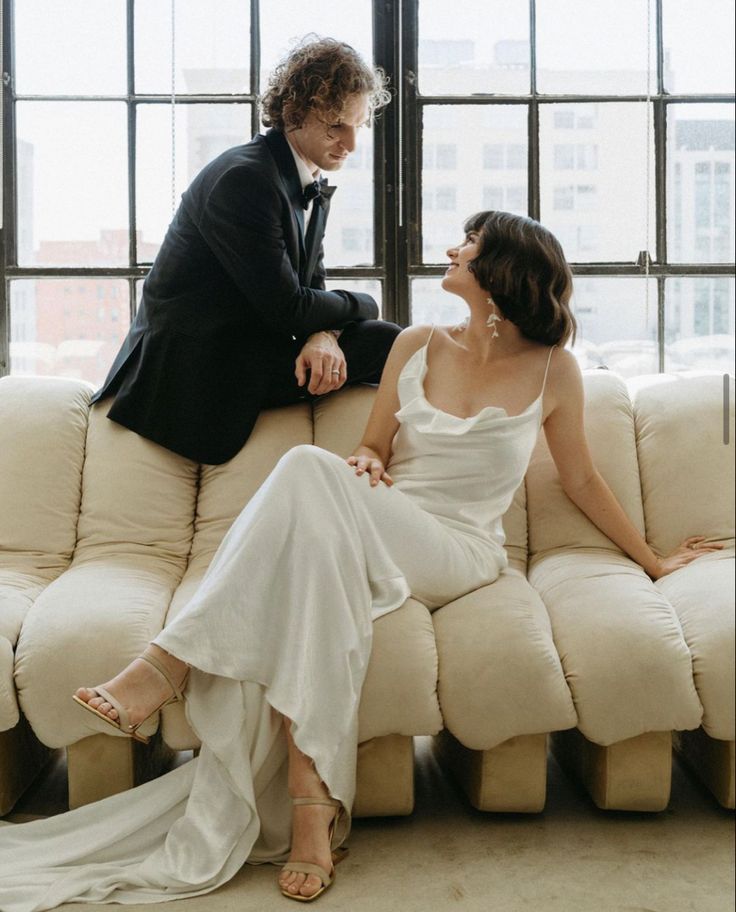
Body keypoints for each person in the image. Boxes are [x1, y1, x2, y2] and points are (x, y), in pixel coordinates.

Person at [0, 211, 719, 909]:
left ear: (500, 269)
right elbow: (373, 446)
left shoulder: (553, 370)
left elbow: (582, 479)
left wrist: (653, 561)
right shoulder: (416, 343)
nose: (451, 250)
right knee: (312, 569)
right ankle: (312, 815)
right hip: (380, 530)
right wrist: (369, 464)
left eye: (466, 244)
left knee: (309, 471)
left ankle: (166, 665)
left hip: (457, 551)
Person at [91, 37, 398, 465]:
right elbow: (287, 307)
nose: (350, 143)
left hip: (252, 339)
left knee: (396, 344)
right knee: (393, 342)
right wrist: (365, 304)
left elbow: (311, 282)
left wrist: (324, 332)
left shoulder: (297, 175)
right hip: (194, 370)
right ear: (295, 113)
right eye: (335, 125)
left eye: (357, 125)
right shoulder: (245, 180)